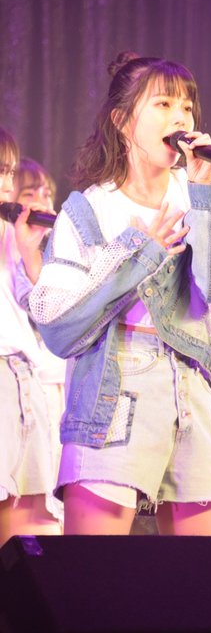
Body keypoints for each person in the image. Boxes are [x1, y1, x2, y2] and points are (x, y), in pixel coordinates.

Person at [28, 51, 211, 537]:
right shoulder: (89, 210)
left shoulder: (208, 193)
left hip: (189, 387)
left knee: (209, 572)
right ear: (121, 121)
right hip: (115, 387)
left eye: (187, 106)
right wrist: (140, 253)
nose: (181, 119)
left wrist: (203, 195)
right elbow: (58, 327)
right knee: (95, 571)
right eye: (164, 104)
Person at [0, 128, 62, 546]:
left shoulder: (13, 234)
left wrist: (29, 251)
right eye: (0, 171)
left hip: (25, 377)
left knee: (35, 541)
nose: (6, 183)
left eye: (9, 171)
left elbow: (47, 310)